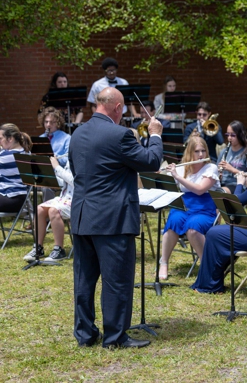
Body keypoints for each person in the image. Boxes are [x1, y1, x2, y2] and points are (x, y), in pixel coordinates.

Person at [69, 87, 163, 349]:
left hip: (82, 216)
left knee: (84, 281)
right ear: (118, 108)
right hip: (112, 219)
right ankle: (115, 337)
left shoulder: (77, 134)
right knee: (117, 281)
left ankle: (85, 335)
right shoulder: (120, 134)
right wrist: (155, 135)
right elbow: (152, 161)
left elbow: (76, 170)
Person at [191, 147, 247, 294]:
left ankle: (210, 285)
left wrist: (239, 182)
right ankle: (211, 282)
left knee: (214, 233)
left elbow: (237, 201)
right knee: (217, 233)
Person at [159, 136, 221, 280]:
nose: (201, 155)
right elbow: (170, 188)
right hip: (184, 206)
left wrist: (178, 177)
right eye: (196, 151)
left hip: (205, 208)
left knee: (193, 228)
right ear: (189, 153)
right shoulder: (182, 168)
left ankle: (207, 265)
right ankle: (164, 262)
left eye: (203, 151)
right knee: (173, 221)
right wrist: (164, 174)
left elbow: (199, 190)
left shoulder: (211, 168)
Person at [23, 157, 74, 262]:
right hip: (64, 198)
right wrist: (45, 175)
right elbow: (64, 182)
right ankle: (38, 247)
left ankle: (59, 249)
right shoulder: (70, 158)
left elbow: (76, 182)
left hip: (78, 200)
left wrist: (57, 167)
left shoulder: (84, 158)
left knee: (53, 210)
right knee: (39, 209)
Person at [0, 124, 32, 213]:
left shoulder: (8, 156)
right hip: (17, 199)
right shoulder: (25, 152)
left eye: (0, 139)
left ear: (10, 138)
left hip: (10, 199)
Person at [218, 121, 247, 194]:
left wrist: (232, 169)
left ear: (240, 135)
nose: (229, 138)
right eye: (227, 135)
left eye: (233, 135)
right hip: (223, 184)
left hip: (239, 185)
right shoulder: (223, 152)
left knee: (220, 192)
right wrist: (218, 175)